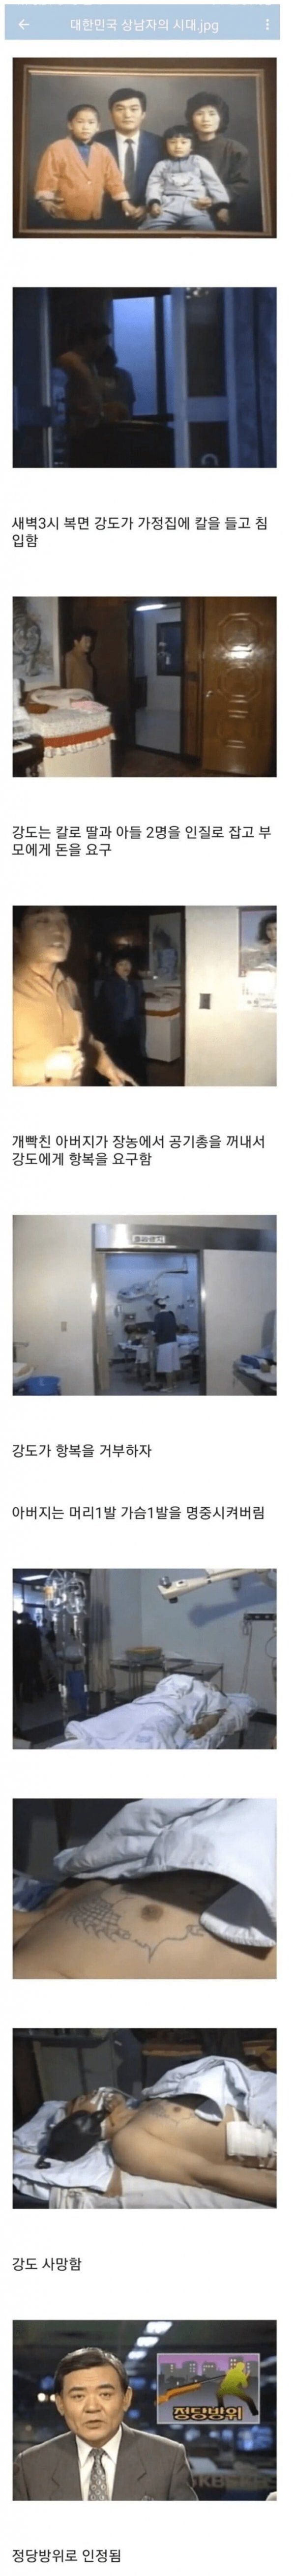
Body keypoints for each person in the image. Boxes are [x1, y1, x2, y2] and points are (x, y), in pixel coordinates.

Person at [14, 2344, 196, 2498]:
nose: (92, 2407)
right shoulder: (30, 2467)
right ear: (61, 2404)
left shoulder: (169, 2459)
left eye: (105, 2395)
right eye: (78, 2396)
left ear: (126, 2399)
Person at [13, 909, 136, 1085]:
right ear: (16, 935)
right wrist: (44, 1068)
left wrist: (107, 1067)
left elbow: (85, 1040)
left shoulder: (69, 986)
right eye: (43, 920)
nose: (59, 929)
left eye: (64, 921)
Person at [33, 102, 131, 227]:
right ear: (70, 125)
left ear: (98, 127)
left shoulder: (103, 151)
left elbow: (114, 180)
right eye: (80, 122)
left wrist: (124, 202)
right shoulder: (57, 148)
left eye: (91, 123)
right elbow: (47, 178)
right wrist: (46, 201)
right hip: (64, 215)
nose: (86, 127)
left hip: (95, 215)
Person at [58, 327, 135, 467]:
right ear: (89, 341)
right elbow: (62, 397)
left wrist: (104, 410)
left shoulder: (90, 365)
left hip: (94, 429)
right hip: (79, 432)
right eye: (102, 343)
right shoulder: (69, 362)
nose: (104, 348)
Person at [145, 125, 229, 230]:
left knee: (206, 229)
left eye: (184, 142)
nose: (178, 146)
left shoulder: (199, 162)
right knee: (152, 229)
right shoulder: (162, 165)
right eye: (173, 142)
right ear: (166, 145)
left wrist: (222, 207)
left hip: (196, 206)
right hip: (168, 207)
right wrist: (154, 203)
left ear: (192, 146)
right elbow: (154, 185)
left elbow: (214, 184)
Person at [186, 91, 250, 226]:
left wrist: (214, 200)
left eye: (212, 114)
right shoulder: (182, 147)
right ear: (191, 118)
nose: (206, 119)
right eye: (199, 114)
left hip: (224, 210)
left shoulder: (236, 150)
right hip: (186, 208)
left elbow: (240, 184)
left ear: (221, 118)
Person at [100, 87, 159, 224]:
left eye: (134, 109)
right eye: (120, 109)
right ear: (111, 114)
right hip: (104, 216)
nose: (127, 115)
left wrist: (148, 206)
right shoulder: (96, 143)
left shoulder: (159, 144)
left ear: (143, 114)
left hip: (149, 217)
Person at [94, 936, 147, 1083]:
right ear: (115, 967)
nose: (125, 967)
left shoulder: (134, 984)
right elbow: (103, 1012)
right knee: (118, 1063)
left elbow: (136, 1010)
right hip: (115, 1031)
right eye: (121, 964)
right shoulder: (109, 985)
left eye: (128, 963)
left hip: (132, 1029)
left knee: (134, 1063)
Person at [153, 1304, 180, 1387]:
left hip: (165, 1343)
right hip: (174, 1342)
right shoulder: (170, 1315)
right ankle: (174, 1384)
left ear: (157, 1307)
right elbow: (176, 1328)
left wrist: (154, 1338)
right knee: (174, 1365)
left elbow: (157, 1331)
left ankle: (169, 1387)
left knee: (167, 1366)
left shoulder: (158, 1316)